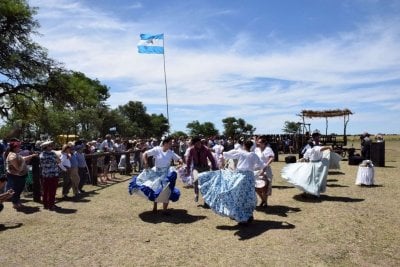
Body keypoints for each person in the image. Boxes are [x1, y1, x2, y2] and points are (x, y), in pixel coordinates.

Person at [198, 140, 265, 225]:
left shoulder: (241, 153)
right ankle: (247, 216)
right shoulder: (254, 155)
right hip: (249, 178)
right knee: (248, 197)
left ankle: (241, 216)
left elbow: (226, 154)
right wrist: (260, 170)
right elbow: (262, 165)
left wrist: (222, 154)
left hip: (240, 177)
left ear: (244, 145)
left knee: (237, 196)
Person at [128, 137, 183, 213]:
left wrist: (180, 162)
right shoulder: (157, 149)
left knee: (167, 189)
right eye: (170, 143)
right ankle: (155, 207)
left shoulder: (170, 152)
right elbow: (145, 154)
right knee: (154, 188)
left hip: (166, 173)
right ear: (165, 143)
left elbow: (179, 159)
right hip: (156, 172)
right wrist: (146, 163)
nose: (171, 145)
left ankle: (164, 210)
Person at [5, 140, 37, 209]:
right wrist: (22, 165)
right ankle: (15, 203)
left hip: (19, 175)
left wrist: (32, 155)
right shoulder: (12, 156)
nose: (20, 148)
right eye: (18, 147)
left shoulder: (16, 154)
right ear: (14, 148)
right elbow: (18, 168)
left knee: (19, 189)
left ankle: (18, 202)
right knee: (16, 190)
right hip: (16, 175)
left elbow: (23, 159)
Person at [185, 136, 218, 203]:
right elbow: (188, 160)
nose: (198, 144)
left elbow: (212, 159)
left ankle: (206, 200)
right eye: (196, 144)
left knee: (205, 183)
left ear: (201, 142)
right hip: (196, 168)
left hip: (205, 168)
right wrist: (188, 169)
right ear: (194, 144)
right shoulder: (192, 150)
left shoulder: (206, 149)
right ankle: (196, 194)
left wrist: (214, 167)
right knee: (196, 181)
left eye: (199, 143)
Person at [39, 141, 61, 210]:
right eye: (50, 145)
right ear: (46, 147)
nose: (52, 146)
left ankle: (46, 205)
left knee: (45, 190)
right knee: (52, 191)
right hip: (53, 174)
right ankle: (51, 205)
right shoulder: (52, 154)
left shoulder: (41, 154)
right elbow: (59, 161)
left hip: (45, 175)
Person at [254, 135, 275, 207]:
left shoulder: (268, 149)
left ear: (263, 143)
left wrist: (265, 166)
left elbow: (272, 158)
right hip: (256, 170)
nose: (258, 143)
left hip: (265, 170)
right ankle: (263, 200)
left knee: (264, 187)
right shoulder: (256, 149)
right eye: (257, 142)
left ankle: (265, 202)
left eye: (259, 142)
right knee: (256, 187)